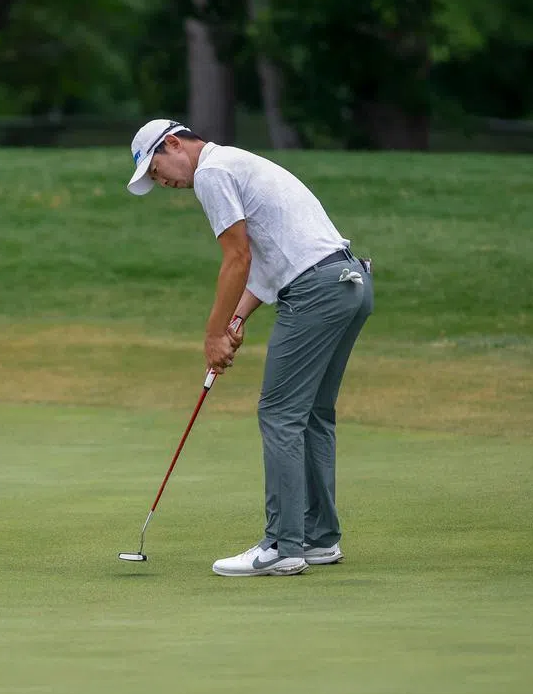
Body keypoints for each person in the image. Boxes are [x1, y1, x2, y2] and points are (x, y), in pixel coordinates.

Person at [126, 119, 373, 577]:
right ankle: (319, 539)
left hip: (316, 291)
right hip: (348, 284)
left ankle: (283, 544)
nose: (164, 183)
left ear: (174, 144)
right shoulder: (236, 163)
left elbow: (237, 257)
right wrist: (237, 318)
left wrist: (214, 332)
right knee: (313, 414)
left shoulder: (211, 172)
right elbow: (266, 261)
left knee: (279, 413)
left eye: (158, 171)